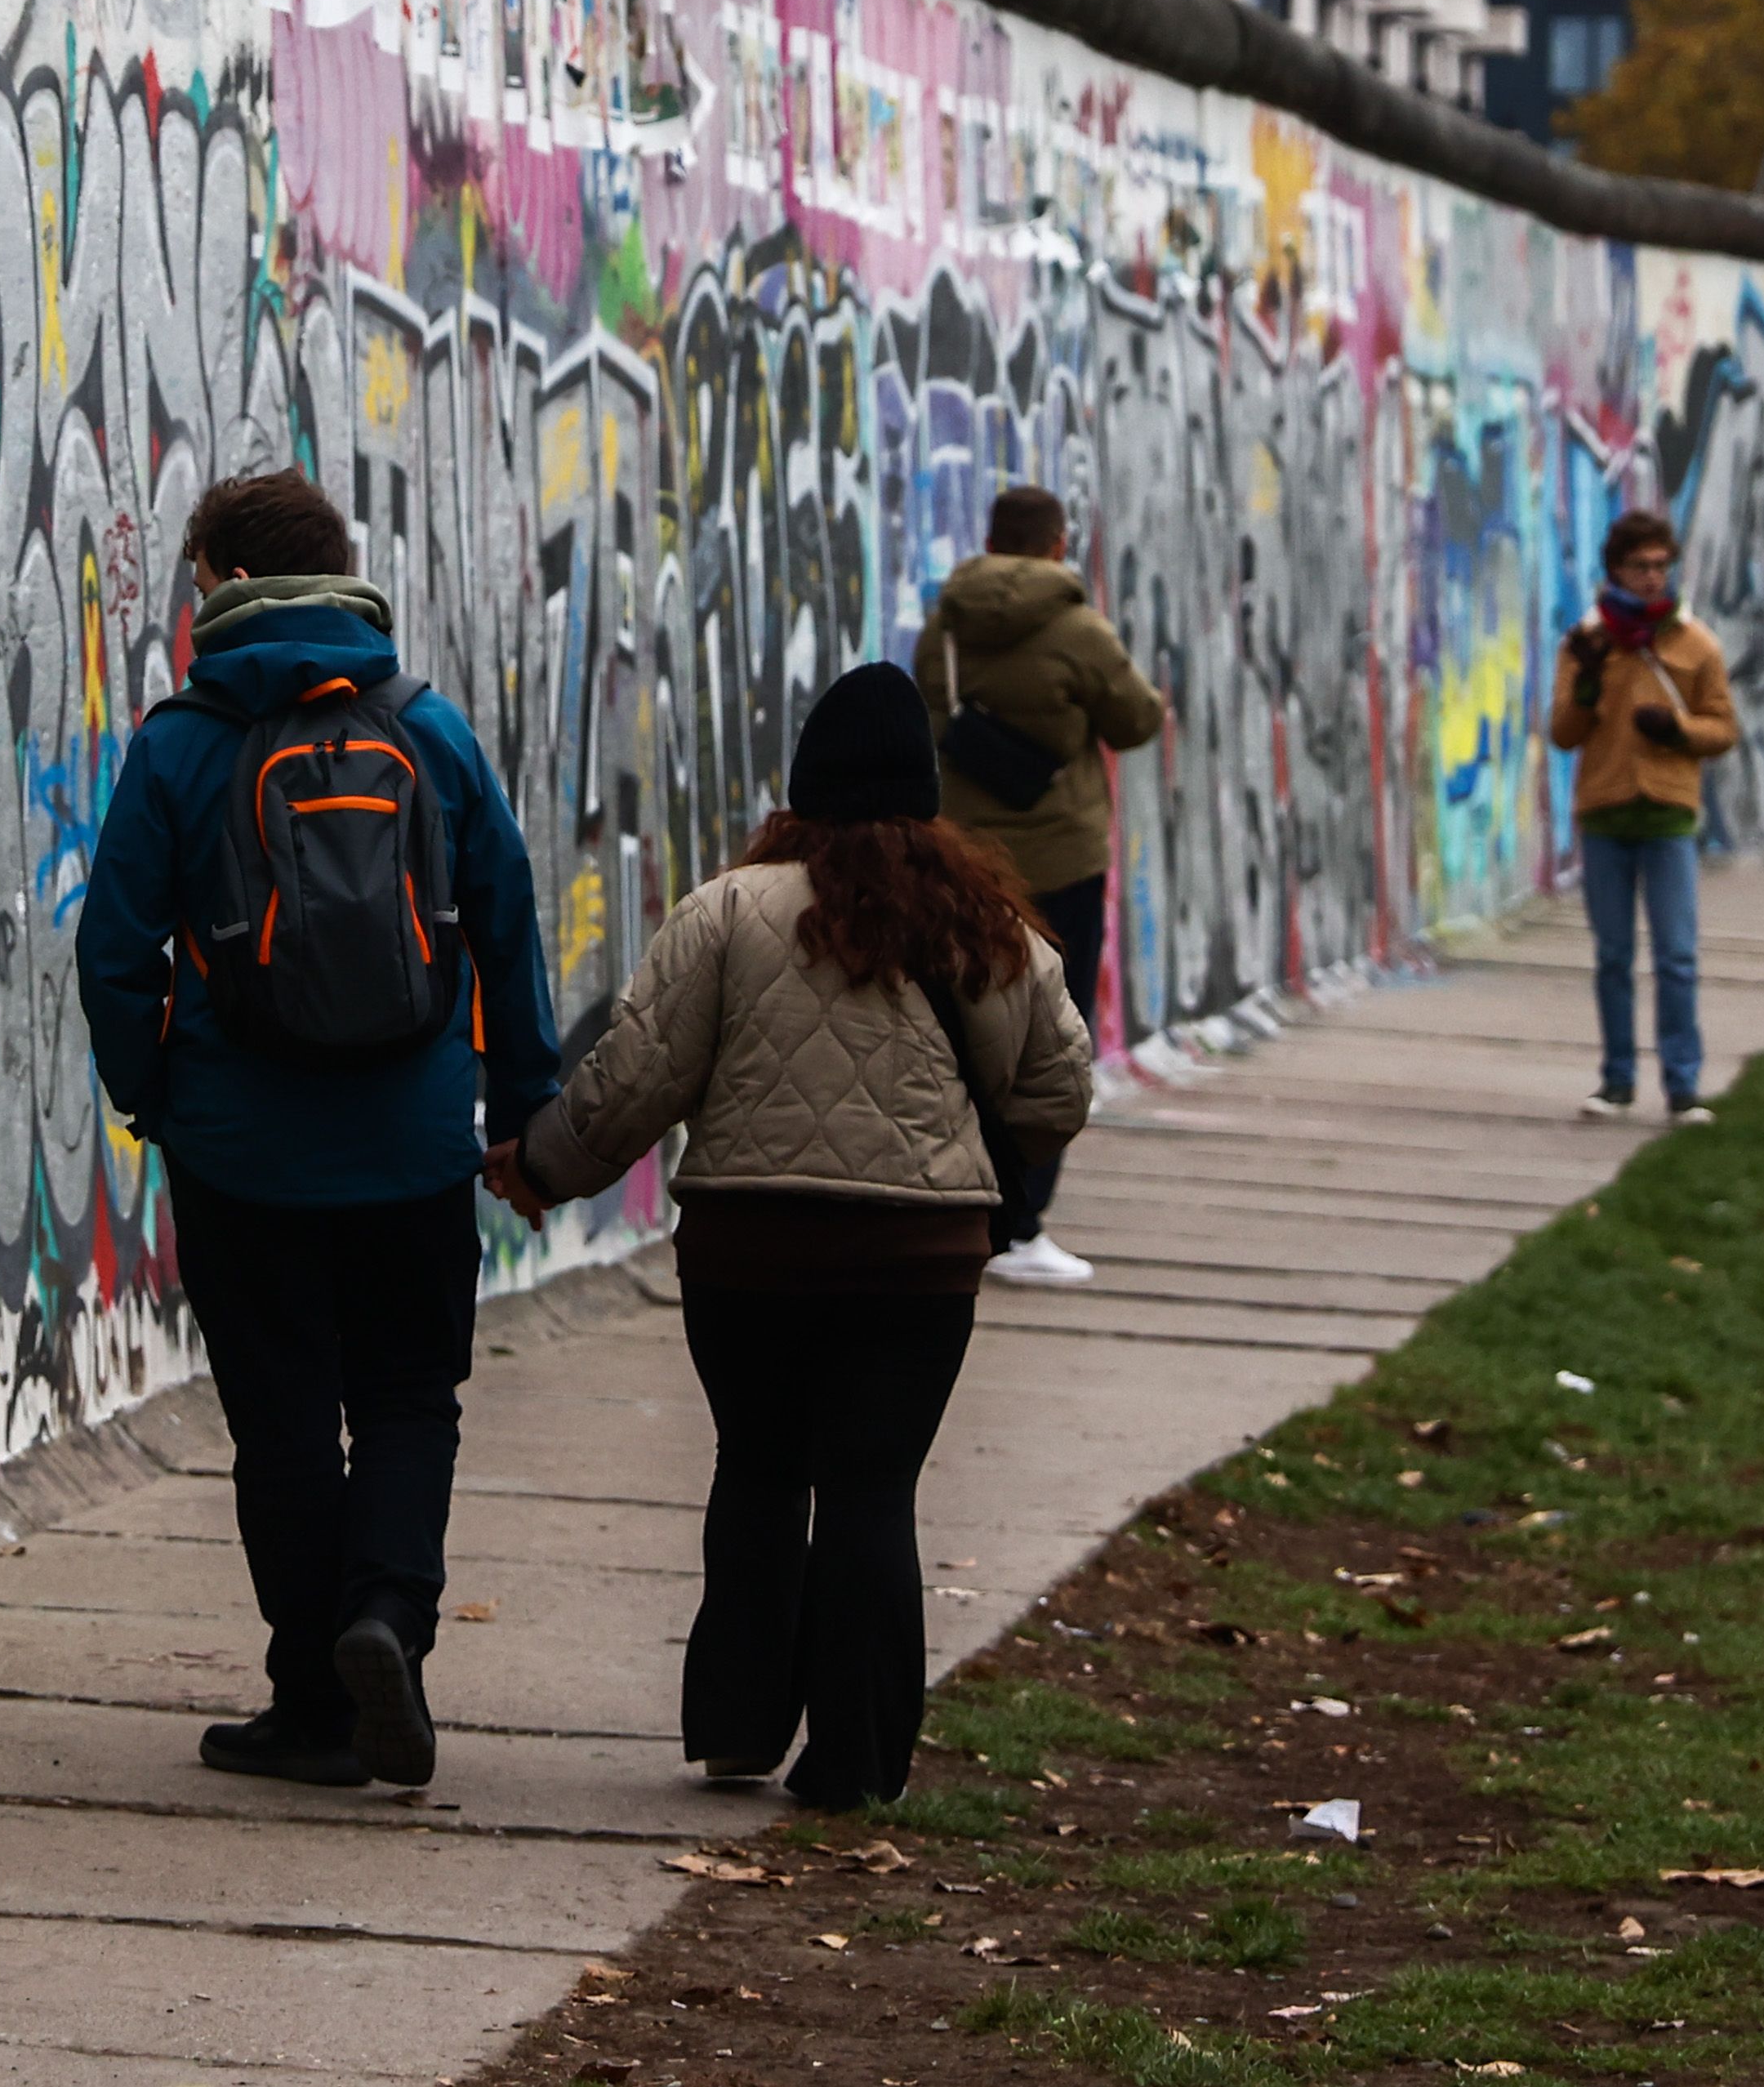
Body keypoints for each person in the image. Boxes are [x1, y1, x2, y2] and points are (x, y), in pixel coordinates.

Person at [489, 665, 1090, 1809]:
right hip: (919, 1261)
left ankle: (737, 1722)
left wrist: (544, 1168)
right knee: (874, 1490)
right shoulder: (987, 924)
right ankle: (856, 1758)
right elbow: (1058, 1092)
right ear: (922, 794)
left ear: (802, 785)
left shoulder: (727, 911)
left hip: (749, 1249)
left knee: (759, 1466)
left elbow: (634, 1081)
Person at [78, 470, 559, 1793]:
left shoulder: (181, 742)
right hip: (410, 1149)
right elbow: (506, 923)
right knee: (409, 1395)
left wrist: (156, 1096)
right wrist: (519, 1108)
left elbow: (114, 950)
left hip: (242, 1155)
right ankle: (385, 1619)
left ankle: (312, 1705)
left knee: (283, 1425)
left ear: (224, 582)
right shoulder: (428, 730)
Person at [910, 486, 1164, 1283]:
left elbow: (925, 719)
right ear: (1057, 544)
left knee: (951, 1034)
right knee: (1052, 1039)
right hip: (1059, 865)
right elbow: (1137, 720)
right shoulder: (1078, 630)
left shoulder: (944, 628)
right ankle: (1019, 1227)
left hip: (961, 861)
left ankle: (945, 1201)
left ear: (990, 540)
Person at [1544, 509, 1741, 1124]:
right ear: (1615, 570)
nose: (1654, 577)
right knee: (1611, 956)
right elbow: (1562, 734)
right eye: (1640, 566)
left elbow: (1723, 729)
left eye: (1662, 565)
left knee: (1677, 956)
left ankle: (1683, 1084)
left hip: (1666, 817)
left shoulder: (1694, 641)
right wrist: (1586, 686)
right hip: (1604, 813)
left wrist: (1677, 730)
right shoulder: (1586, 641)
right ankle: (1616, 1080)